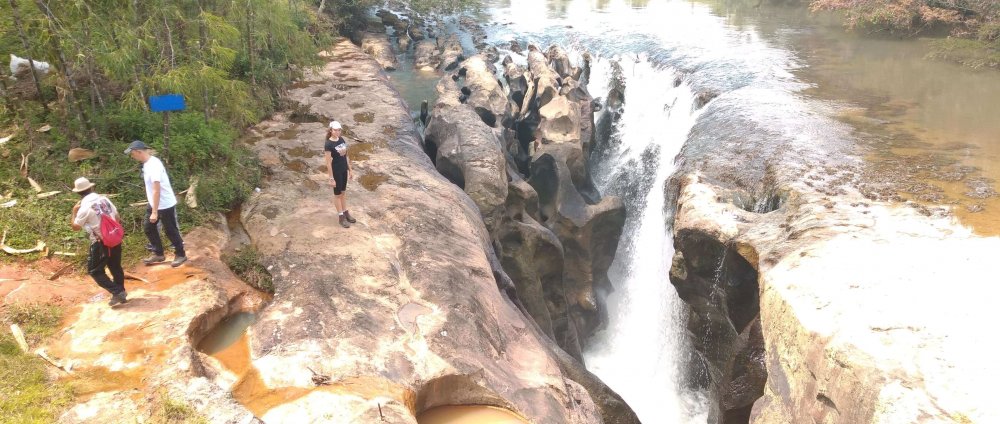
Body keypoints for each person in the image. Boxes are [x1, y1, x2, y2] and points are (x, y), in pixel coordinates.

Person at [124, 140, 187, 267]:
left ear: (138, 152)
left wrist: (154, 212)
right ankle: (158, 253)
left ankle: (181, 254)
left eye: (132, 154)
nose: (132, 157)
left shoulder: (154, 165)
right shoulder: (147, 163)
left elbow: (156, 190)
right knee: (148, 227)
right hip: (155, 203)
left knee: (171, 230)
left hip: (164, 204)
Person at [70, 177, 127, 306]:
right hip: (115, 238)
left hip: (101, 242)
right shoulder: (104, 199)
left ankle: (118, 292)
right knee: (115, 266)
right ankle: (120, 292)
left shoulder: (83, 208)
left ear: (78, 193)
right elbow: (117, 217)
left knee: (94, 270)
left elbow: (75, 227)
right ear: (91, 188)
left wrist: (74, 212)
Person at [324, 121, 356, 228]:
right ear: (331, 130)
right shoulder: (328, 144)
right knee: (337, 195)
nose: (337, 132)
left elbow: (346, 156)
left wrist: (350, 170)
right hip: (336, 171)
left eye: (339, 130)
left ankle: (345, 212)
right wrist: (331, 178)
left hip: (343, 170)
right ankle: (341, 216)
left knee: (343, 192)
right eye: (335, 130)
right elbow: (328, 162)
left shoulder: (341, 140)